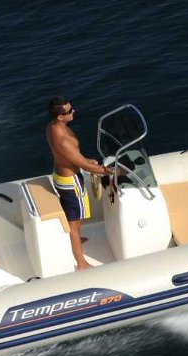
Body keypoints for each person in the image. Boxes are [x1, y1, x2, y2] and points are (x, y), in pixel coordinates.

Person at [46, 96, 112, 270]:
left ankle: (76, 238)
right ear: (60, 116)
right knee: (74, 223)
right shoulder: (63, 140)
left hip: (61, 175)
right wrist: (112, 171)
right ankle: (81, 263)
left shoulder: (52, 127)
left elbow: (69, 157)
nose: (73, 111)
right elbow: (84, 166)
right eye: (69, 111)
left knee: (74, 216)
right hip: (71, 182)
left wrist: (86, 160)